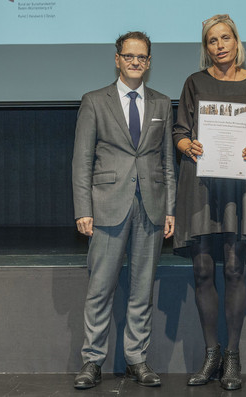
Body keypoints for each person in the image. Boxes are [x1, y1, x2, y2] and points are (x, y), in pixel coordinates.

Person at [173, 14, 246, 391]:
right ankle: (211, 354)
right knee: (202, 271)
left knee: (234, 269)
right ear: (207, 47)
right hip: (200, 184)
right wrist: (187, 144)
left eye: (225, 38)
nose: (219, 45)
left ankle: (232, 357)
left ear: (236, 42)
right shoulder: (194, 83)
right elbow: (180, 128)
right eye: (212, 40)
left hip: (240, 186)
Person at [71, 31, 175, 389]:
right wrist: (83, 208)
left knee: (142, 288)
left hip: (151, 206)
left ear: (149, 62)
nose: (135, 62)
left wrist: (171, 208)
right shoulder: (94, 101)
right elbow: (82, 161)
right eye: (129, 56)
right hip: (106, 207)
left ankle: (137, 359)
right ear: (117, 59)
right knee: (100, 288)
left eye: (142, 57)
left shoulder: (162, 104)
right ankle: (92, 361)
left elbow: (167, 162)